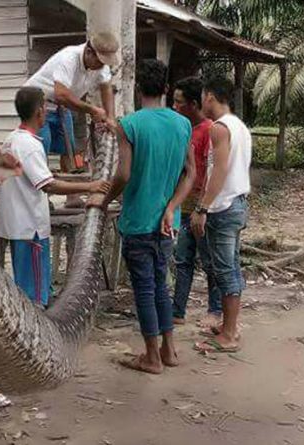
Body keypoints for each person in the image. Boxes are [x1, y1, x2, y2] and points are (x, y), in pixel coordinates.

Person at [90, 60, 195, 374]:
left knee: (145, 289)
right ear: (165, 89)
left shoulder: (130, 124)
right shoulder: (182, 124)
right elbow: (191, 173)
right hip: (167, 223)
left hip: (138, 220)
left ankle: (151, 357)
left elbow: (123, 173)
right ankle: (169, 350)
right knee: (161, 285)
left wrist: (106, 198)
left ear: (138, 89)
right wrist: (173, 206)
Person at [0, 87, 110, 307]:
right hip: (30, 226)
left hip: (16, 223)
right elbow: (48, 185)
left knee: (26, 284)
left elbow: (35, 177)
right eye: (45, 109)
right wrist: (91, 186)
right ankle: (37, 325)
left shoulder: (12, 140)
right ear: (39, 111)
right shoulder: (29, 145)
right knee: (35, 293)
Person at [191, 77, 252, 354]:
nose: (201, 102)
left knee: (225, 270)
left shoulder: (219, 128)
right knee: (231, 267)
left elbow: (220, 171)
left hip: (224, 207)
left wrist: (203, 207)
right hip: (237, 202)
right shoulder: (240, 126)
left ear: (211, 97)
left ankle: (228, 335)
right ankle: (230, 325)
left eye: (203, 96)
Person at [24, 32, 119, 208]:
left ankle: (72, 196)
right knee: (40, 149)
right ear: (89, 51)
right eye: (98, 61)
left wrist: (110, 117)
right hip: (38, 104)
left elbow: (106, 88)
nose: (100, 66)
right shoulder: (68, 58)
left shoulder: (100, 66)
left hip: (62, 106)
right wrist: (91, 109)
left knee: (69, 151)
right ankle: (41, 198)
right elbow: (61, 94)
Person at [170, 76, 216, 326]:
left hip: (202, 206)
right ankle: (178, 311)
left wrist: (204, 207)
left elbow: (211, 170)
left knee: (209, 260)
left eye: (180, 102)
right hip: (185, 204)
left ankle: (215, 310)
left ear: (193, 104)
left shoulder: (209, 130)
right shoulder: (183, 128)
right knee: (183, 258)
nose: (175, 106)